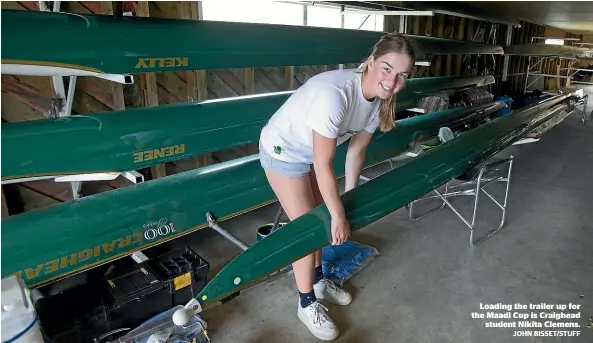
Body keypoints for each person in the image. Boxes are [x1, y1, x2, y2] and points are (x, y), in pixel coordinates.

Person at [258, 32, 416, 341]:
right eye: (387, 68)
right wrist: (338, 213)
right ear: (370, 62)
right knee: (308, 230)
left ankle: (318, 281)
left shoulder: (377, 100)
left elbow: (357, 151)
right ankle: (305, 303)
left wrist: (349, 197)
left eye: (402, 75)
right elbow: (322, 164)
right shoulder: (336, 94)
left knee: (323, 222)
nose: (392, 80)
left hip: (310, 155)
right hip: (284, 150)